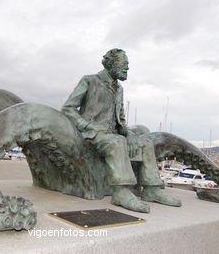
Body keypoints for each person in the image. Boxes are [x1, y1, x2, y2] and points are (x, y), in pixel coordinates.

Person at [62, 48, 181, 213]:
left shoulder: (119, 89)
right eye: (124, 65)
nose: (127, 69)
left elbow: (121, 120)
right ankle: (121, 192)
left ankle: (151, 190)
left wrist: (129, 134)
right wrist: (88, 126)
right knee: (118, 142)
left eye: (128, 65)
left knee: (145, 144)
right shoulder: (89, 81)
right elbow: (68, 108)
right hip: (91, 135)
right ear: (111, 63)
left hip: (112, 136)